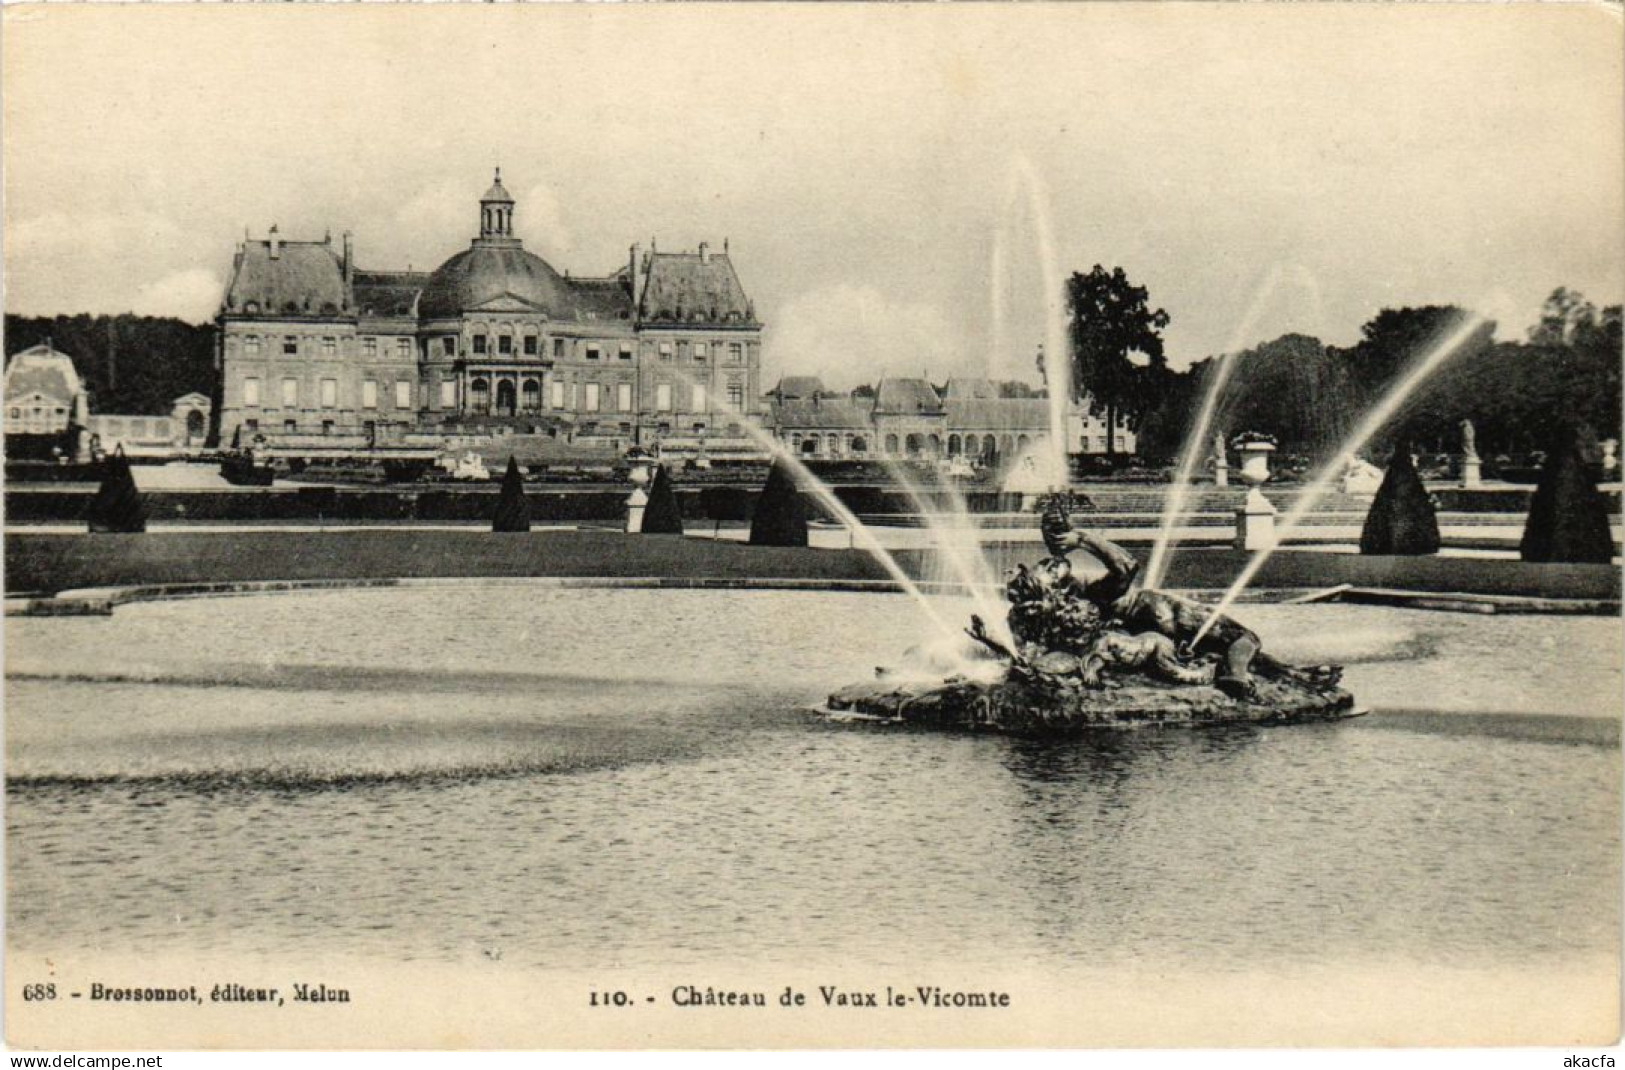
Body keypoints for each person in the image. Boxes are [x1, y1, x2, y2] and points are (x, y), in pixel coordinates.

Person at [1038, 495, 1263, 699]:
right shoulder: (1088, 594)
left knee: (1236, 640)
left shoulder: (1080, 596)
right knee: (1243, 637)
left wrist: (1079, 540)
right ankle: (1236, 675)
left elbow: (1127, 567)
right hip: (1156, 616)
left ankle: (1236, 676)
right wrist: (1081, 540)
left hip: (1151, 617)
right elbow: (1127, 566)